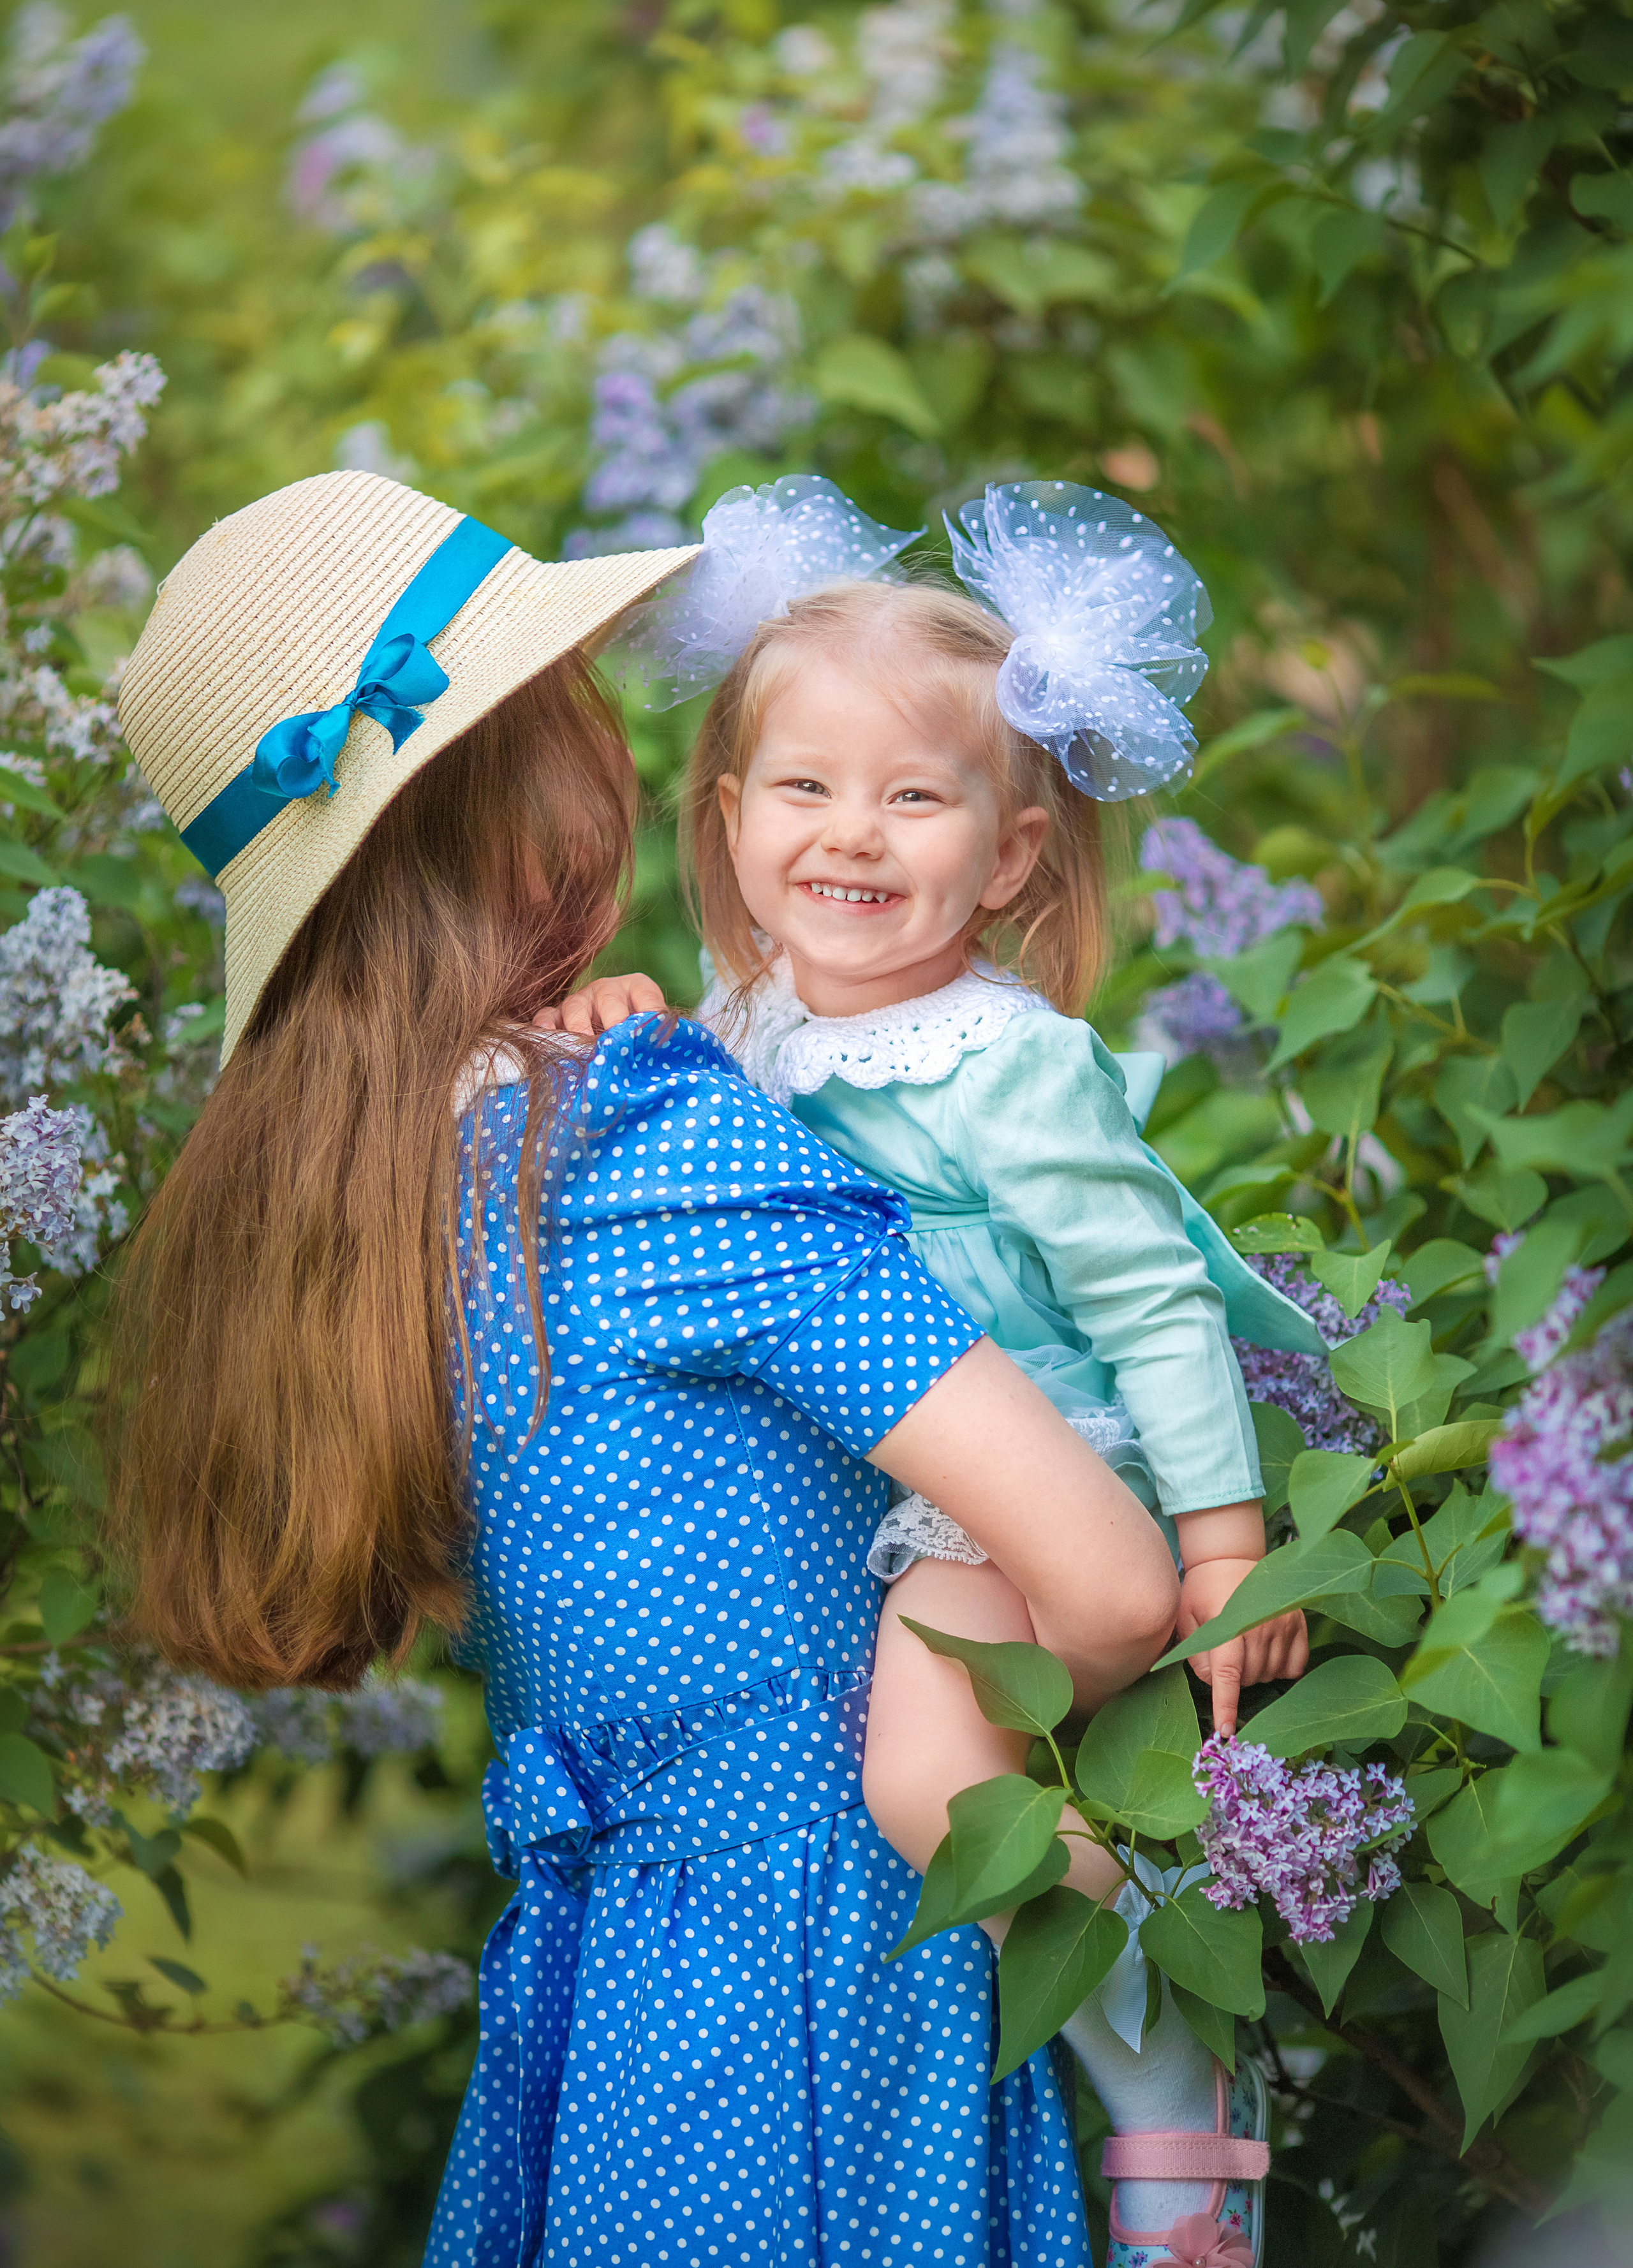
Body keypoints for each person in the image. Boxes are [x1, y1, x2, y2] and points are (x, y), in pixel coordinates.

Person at [107, 468, 1183, 2268]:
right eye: (577, 708)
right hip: (831, 2013)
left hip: (608, 2040)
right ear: (525, 788)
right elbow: (1110, 1576)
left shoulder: (370, 1201)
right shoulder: (648, 1144)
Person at [559, 475, 1327, 2268]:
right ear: (732, 816)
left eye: (917, 795)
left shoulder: (1009, 1059)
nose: (855, 832)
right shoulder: (750, 1029)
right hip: (931, 1472)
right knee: (922, 1779)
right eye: (808, 790)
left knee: (921, 1783)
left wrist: (1223, 1547)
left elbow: (1150, 1301)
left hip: (1058, 1450)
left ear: (1009, 852)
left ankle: (1171, 2044)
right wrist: (621, 1011)